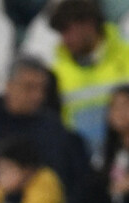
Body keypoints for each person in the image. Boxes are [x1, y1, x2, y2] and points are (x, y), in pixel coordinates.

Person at [0, 55, 92, 203]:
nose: (37, 96)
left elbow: (77, 183)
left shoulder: (56, 131)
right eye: (29, 87)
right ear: (9, 86)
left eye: (42, 89)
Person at [49, 0, 129, 164]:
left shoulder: (126, 57)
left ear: (89, 24)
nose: (65, 39)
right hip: (81, 162)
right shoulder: (57, 73)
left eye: (68, 30)